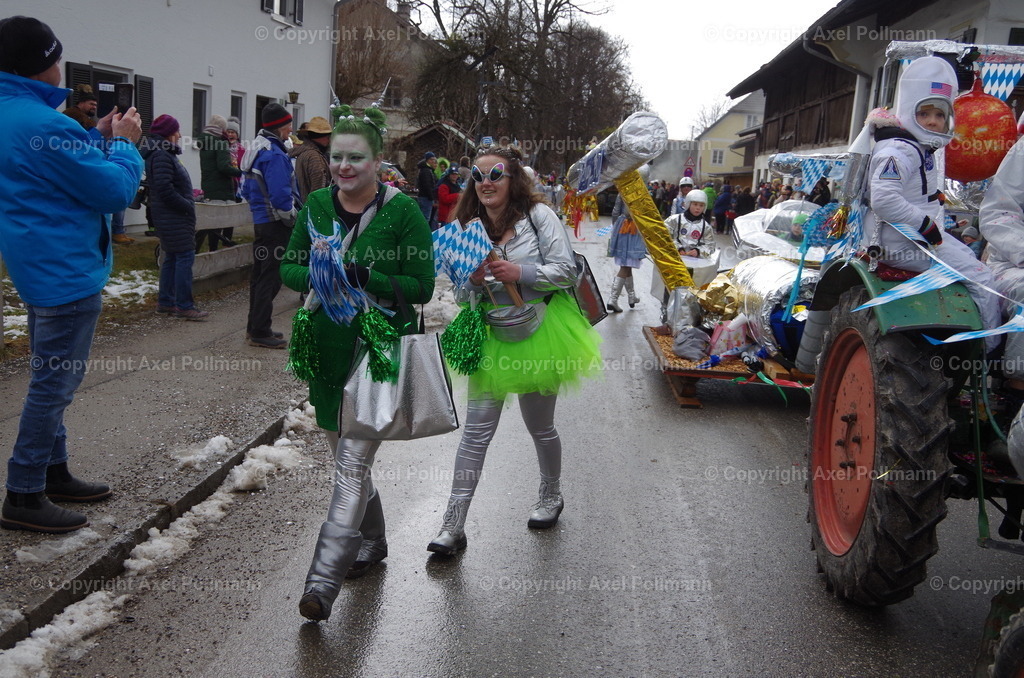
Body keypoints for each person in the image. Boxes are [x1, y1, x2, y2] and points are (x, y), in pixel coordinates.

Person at [280, 104, 434, 621]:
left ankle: (322, 582)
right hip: (324, 350)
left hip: (377, 352)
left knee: (350, 466)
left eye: (356, 158)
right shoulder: (318, 204)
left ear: (378, 160)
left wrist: (369, 278)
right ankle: (375, 540)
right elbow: (289, 267)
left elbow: (423, 287)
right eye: (338, 158)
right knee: (344, 458)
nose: (344, 167)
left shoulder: (404, 211)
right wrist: (321, 276)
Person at [0, 15, 143, 533]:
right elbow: (111, 192)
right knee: (54, 384)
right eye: (57, 58)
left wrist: (94, 136)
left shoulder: (12, 114)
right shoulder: (44, 124)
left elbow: (59, 173)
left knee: (49, 373)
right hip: (65, 269)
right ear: (43, 66)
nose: (61, 68)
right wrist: (125, 143)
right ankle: (23, 491)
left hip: (35, 263)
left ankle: (51, 470)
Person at [426, 144, 602, 557]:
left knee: (539, 426)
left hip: (540, 330)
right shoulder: (468, 225)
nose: (485, 182)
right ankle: (453, 524)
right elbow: (459, 291)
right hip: (492, 335)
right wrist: (470, 280)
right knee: (474, 433)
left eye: (496, 174)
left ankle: (550, 495)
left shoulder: (539, 217)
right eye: (478, 176)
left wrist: (517, 271)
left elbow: (566, 271)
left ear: (513, 178)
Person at [863, 55, 999, 346]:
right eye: (925, 114)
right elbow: (885, 199)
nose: (934, 122)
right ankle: (989, 355)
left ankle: (966, 344)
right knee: (983, 279)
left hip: (914, 239)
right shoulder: (900, 150)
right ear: (910, 113)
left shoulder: (915, 146)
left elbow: (911, 191)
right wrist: (925, 224)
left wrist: (935, 200)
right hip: (905, 243)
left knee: (971, 258)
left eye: (940, 115)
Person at [240, 103, 298, 349]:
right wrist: (291, 218)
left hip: (261, 220)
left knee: (259, 276)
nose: (291, 129)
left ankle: (255, 327)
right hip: (275, 223)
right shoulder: (274, 154)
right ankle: (260, 331)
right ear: (280, 126)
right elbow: (281, 195)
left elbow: (245, 188)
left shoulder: (258, 147)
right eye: (288, 124)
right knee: (271, 278)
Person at [142, 114, 208, 320]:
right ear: (169, 133)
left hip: (170, 216)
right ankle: (184, 305)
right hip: (174, 217)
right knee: (183, 258)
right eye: (177, 131)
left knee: (171, 258)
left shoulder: (162, 153)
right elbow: (164, 189)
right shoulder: (162, 155)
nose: (179, 136)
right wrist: (187, 204)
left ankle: (166, 302)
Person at [195, 114, 242, 253]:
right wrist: (241, 172)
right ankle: (217, 252)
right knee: (223, 221)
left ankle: (208, 250)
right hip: (222, 188)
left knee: (211, 223)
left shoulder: (204, 143)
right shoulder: (220, 143)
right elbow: (223, 167)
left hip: (208, 186)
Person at [605, 193, 645, 312]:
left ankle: (631, 297)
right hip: (633, 228)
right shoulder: (642, 192)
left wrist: (616, 226)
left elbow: (615, 212)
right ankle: (613, 299)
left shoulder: (622, 191)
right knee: (625, 265)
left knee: (627, 265)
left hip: (622, 227)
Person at [289, 115, 331, 205]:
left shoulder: (302, 152)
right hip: (312, 209)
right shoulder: (314, 157)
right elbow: (318, 191)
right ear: (320, 137)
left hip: (303, 205)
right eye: (327, 137)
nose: (329, 141)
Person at [416, 151, 438, 225]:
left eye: (434, 159)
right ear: (427, 160)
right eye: (431, 159)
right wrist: (432, 197)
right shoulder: (426, 170)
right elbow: (427, 185)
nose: (433, 161)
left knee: (425, 217)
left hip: (425, 197)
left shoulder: (428, 170)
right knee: (425, 218)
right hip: (426, 197)